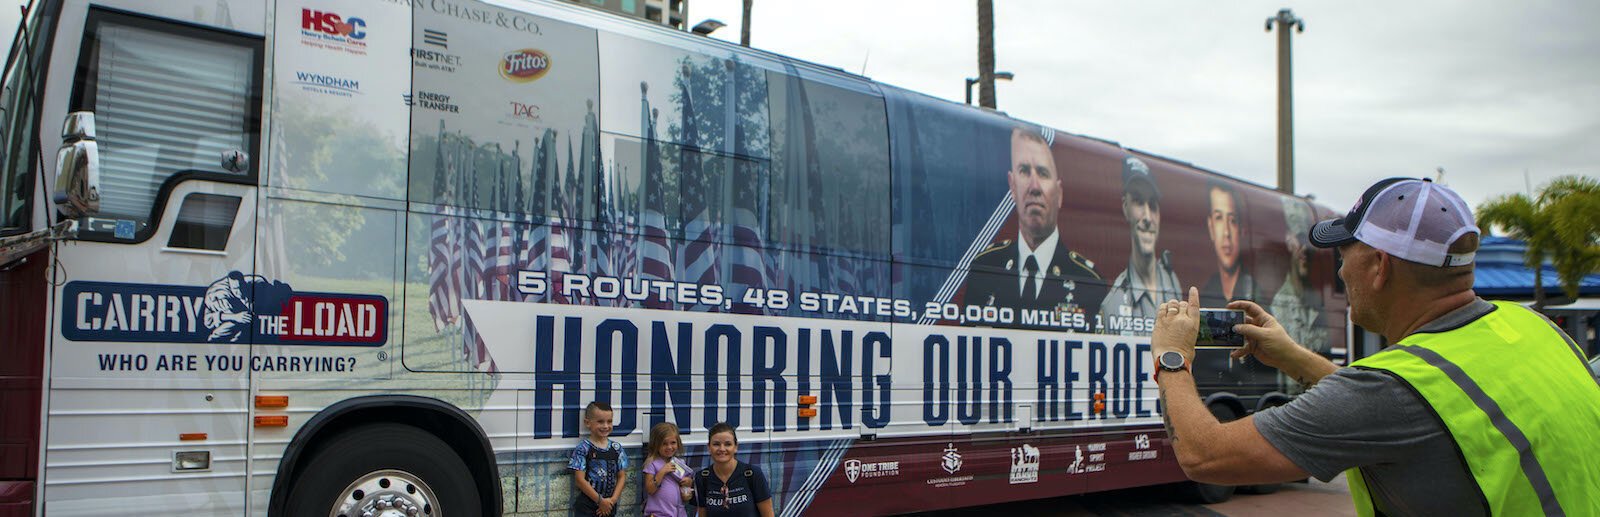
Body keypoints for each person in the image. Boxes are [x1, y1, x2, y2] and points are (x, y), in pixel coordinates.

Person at [1148, 178, 1600, 516]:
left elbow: (1204, 454)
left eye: (1344, 255)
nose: (1340, 273)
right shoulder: (1537, 329)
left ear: (1380, 266)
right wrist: (1292, 355)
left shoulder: (1390, 392)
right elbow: (1429, 404)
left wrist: (1172, 357)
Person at [963, 125, 1103, 331]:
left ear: (1059, 193)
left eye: (1043, 173)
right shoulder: (985, 267)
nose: (1034, 187)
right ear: (1012, 186)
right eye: (1024, 171)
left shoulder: (1087, 280)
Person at [1099, 156, 1180, 336]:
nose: (1147, 217)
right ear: (1125, 207)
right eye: (1138, 202)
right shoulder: (1113, 304)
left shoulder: (1173, 283)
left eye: (1152, 205)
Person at [1269, 198, 1329, 395]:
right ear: (1288, 240)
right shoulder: (1275, 307)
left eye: (1308, 242)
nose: (1305, 250)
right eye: (1299, 240)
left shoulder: (1318, 309)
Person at [693, 423, 774, 517]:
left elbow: (768, 514)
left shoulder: (752, 474)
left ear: (735, 447)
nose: (722, 449)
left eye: (728, 444)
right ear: (709, 447)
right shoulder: (702, 478)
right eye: (716, 444)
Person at [1198, 180, 1256, 306]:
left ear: (1241, 230)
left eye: (1232, 220)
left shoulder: (1256, 293)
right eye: (1219, 218)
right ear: (1211, 227)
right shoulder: (1205, 295)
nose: (1226, 232)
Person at [569, 401, 628, 517]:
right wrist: (600, 501)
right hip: (587, 505)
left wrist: (612, 500)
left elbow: (621, 476)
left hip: (609, 504)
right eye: (600, 422)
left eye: (609, 421)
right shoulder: (583, 448)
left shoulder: (616, 448)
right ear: (587, 423)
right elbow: (579, 480)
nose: (606, 426)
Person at [643, 422, 694, 517]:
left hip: (679, 513)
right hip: (658, 514)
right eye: (664, 444)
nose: (669, 447)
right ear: (656, 445)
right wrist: (662, 472)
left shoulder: (680, 464)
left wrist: (688, 484)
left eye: (673, 443)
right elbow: (650, 489)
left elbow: (686, 497)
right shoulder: (652, 464)